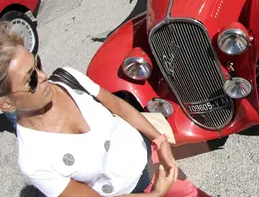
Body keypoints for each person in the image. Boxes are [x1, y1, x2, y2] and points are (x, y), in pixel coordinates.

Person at [0, 23, 209, 197]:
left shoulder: (67, 78)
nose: (43, 76)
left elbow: (117, 105)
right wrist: (155, 195)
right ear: (6, 104)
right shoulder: (33, 159)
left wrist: (158, 140)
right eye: (31, 79)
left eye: (37, 63)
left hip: (150, 159)